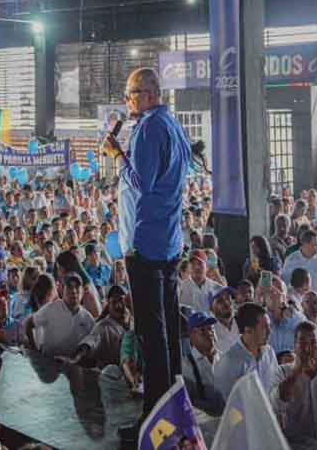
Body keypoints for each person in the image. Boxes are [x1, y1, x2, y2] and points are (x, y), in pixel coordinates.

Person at [102, 67, 191, 424]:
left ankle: (156, 412)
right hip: (167, 240)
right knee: (166, 327)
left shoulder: (150, 128)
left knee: (152, 332)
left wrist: (116, 154)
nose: (127, 102)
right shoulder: (173, 125)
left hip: (146, 243)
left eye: (130, 94)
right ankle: (172, 401)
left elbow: (141, 182)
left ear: (148, 94)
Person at [214, 302, 280, 398]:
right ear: (248, 330)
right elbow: (229, 405)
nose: (270, 332)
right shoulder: (228, 362)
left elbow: (275, 387)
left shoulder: (269, 352)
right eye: (264, 328)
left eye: (269, 326)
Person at [24, 274, 95, 359]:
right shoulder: (51, 308)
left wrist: (78, 358)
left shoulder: (87, 318)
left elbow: (92, 342)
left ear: (82, 291)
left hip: (71, 367)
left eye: (77, 287)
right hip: (48, 364)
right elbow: (29, 324)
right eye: (69, 287)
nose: (74, 291)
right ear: (62, 290)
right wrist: (35, 351)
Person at [67, 285, 130, 369]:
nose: (118, 305)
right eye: (114, 302)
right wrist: (77, 357)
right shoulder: (103, 327)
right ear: (109, 306)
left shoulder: (133, 322)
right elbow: (91, 341)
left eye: (121, 301)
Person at [179, 310, 223, 416]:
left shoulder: (225, 358)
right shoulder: (185, 367)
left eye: (211, 328)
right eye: (202, 330)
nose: (209, 333)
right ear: (191, 336)